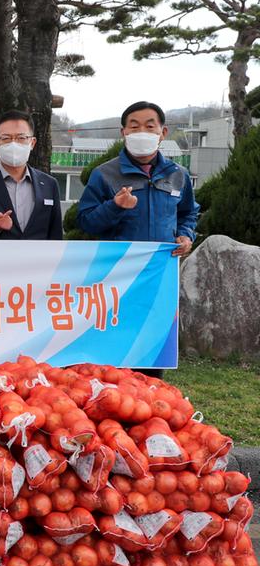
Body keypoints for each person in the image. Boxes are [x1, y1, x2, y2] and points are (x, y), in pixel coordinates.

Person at [77, 101, 199, 378]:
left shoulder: (177, 175)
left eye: (149, 126)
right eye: (134, 126)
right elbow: (85, 221)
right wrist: (115, 206)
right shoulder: (105, 174)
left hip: (159, 278)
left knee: (153, 352)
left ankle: (151, 399)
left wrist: (186, 234)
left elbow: (188, 213)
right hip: (116, 280)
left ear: (163, 132)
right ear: (123, 133)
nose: (141, 132)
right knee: (115, 353)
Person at [0, 109, 63, 240]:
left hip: (37, 254)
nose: (14, 143)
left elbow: (55, 234)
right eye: (6, 138)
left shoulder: (49, 184)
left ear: (32, 143)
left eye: (21, 138)